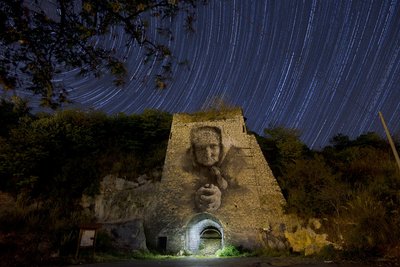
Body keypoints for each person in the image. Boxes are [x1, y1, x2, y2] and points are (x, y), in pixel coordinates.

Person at [189, 126, 229, 211]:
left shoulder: (227, 166)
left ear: (220, 148)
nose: (208, 154)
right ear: (194, 151)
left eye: (213, 146)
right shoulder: (186, 170)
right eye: (201, 148)